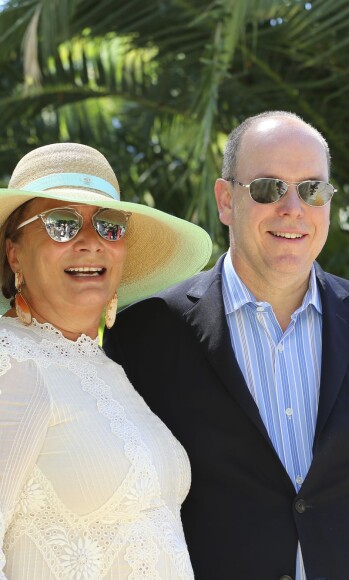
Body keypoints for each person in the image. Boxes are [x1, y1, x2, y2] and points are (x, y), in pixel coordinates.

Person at [105, 111, 349, 579]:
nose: (292, 208)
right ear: (225, 199)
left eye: (312, 190)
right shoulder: (148, 334)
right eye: (268, 188)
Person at [0, 142, 212, 578]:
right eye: (62, 224)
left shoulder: (105, 366)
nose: (90, 243)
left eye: (109, 226)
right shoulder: (12, 361)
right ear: (15, 253)